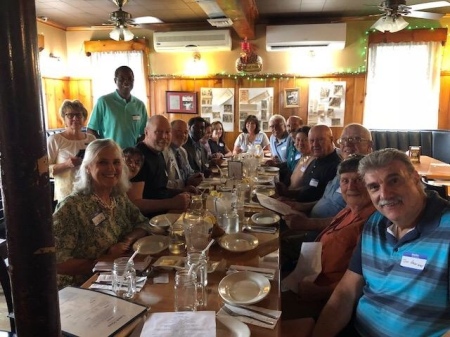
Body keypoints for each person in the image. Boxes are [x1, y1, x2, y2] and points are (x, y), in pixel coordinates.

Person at [312, 148, 450, 337]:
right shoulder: (375, 222)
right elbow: (346, 292)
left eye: (394, 180)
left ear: (415, 178)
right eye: (374, 187)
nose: (385, 194)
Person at [282, 155, 376, 320]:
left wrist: (320, 292)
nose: (351, 186)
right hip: (308, 276)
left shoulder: (372, 225)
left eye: (358, 180)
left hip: (326, 300)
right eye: (345, 181)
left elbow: (367, 282)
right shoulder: (350, 209)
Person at [53, 139, 151, 288]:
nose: (111, 168)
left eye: (116, 162)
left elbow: (143, 223)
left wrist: (127, 241)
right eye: (103, 162)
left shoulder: (118, 197)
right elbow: (57, 263)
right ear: (87, 168)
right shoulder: (71, 207)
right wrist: (104, 260)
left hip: (116, 279)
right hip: (80, 288)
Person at [284, 123, 373, 219]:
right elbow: (326, 199)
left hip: (321, 229)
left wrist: (307, 223)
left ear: (369, 145)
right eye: (343, 139)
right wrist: (300, 206)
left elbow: (350, 220)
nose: (347, 143)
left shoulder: (368, 177)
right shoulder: (342, 168)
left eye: (356, 139)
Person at [128, 115, 191, 218]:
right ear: (146, 132)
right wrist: (171, 203)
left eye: (167, 132)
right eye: (159, 132)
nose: (164, 136)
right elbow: (135, 203)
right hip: (147, 223)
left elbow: (159, 190)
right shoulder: (137, 157)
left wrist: (183, 192)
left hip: (163, 216)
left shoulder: (158, 152)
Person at [87, 65, 148, 149]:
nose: (126, 82)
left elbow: (146, 132)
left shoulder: (139, 105)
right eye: (122, 79)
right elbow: (91, 130)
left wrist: (136, 148)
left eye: (130, 79)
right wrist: (103, 147)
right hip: (109, 155)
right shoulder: (104, 102)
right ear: (115, 80)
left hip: (131, 157)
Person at [47, 99, 96, 202]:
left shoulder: (91, 139)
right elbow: (45, 170)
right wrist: (66, 164)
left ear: (84, 118)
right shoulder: (55, 140)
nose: (75, 118)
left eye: (79, 115)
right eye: (70, 115)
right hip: (66, 194)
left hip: (89, 191)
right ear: (64, 119)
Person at [277, 124, 341, 202]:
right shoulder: (315, 160)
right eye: (312, 140)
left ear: (331, 139)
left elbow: (326, 200)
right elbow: (307, 189)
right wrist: (287, 193)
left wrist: (299, 205)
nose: (315, 144)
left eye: (320, 140)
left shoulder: (336, 167)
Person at [163, 120, 203, 190]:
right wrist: (184, 183)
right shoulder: (163, 152)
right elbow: (162, 184)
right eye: (179, 131)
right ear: (169, 131)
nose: (183, 135)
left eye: (186, 132)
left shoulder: (183, 151)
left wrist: (197, 176)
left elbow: (189, 173)